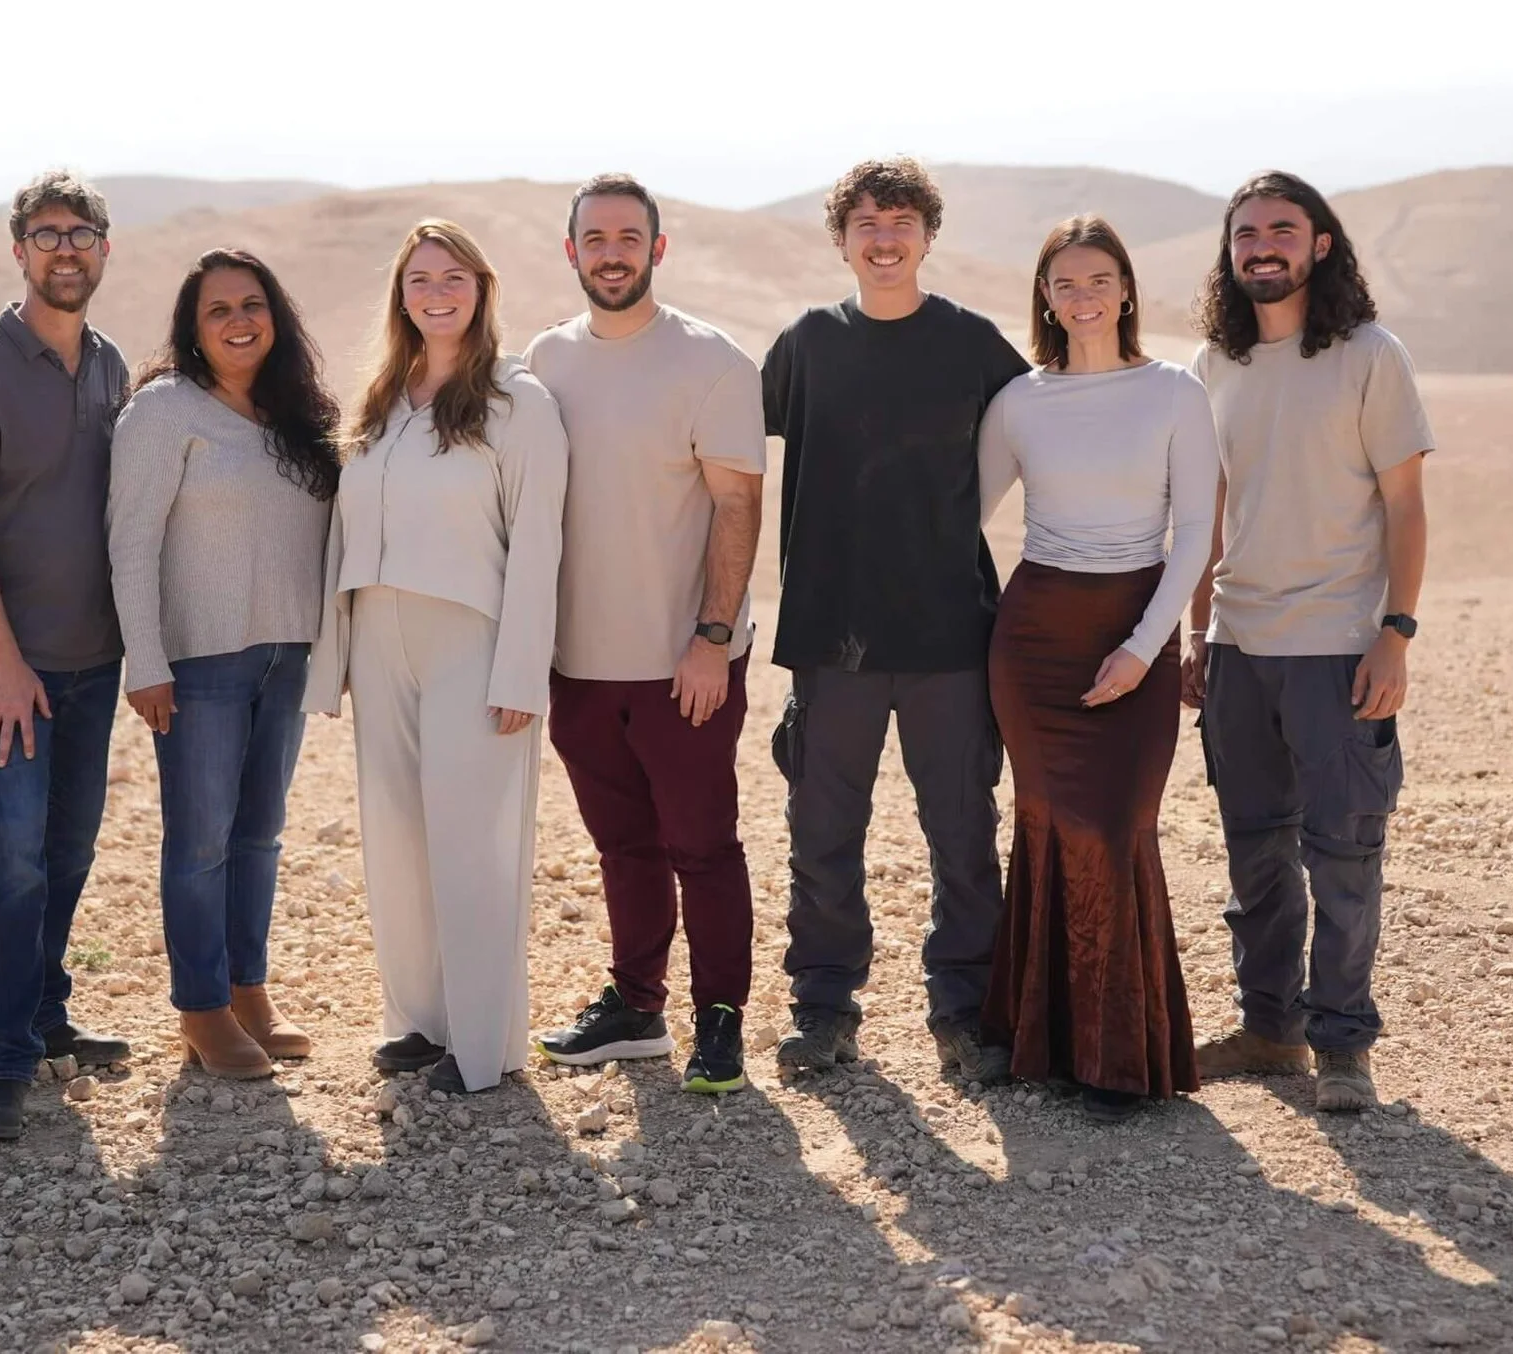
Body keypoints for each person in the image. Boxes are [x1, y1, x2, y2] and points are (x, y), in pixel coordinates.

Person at [763, 157, 1030, 1082]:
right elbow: (722, 452)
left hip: (950, 630)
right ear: (841, 238)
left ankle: (966, 1007)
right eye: (866, 221)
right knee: (822, 830)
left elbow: (1047, 438)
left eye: (902, 219)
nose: (884, 237)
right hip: (829, 635)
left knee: (961, 827)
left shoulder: (973, 344)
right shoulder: (805, 344)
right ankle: (825, 1006)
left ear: (927, 234)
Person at [1184, 170, 1433, 1113]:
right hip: (1239, 646)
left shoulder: (1370, 355)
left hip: (1337, 645)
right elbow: (1208, 514)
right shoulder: (1217, 364)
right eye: (1245, 233)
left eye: (1282, 230)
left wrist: (1395, 634)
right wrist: (1198, 630)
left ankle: (1343, 1046)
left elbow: (1406, 507)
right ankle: (1269, 1030)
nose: (1262, 246)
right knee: (1254, 849)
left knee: (1343, 854)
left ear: (1319, 244)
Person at [307, 219, 568, 1096]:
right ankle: (420, 1022)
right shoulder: (382, 399)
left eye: (454, 276)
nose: (437, 292)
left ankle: (485, 1047)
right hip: (379, 633)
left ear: (482, 289)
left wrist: (523, 669)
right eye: (421, 278)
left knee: (474, 843)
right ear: (402, 296)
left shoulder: (518, 402)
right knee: (397, 835)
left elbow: (538, 541)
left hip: (474, 635)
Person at [528, 173, 767, 1094]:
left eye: (631, 237)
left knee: (702, 846)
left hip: (684, 665)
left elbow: (738, 503)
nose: (613, 251)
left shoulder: (711, 362)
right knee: (621, 845)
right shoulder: (543, 362)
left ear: (657, 250)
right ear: (573, 251)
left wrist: (711, 637)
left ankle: (720, 1019)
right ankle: (636, 1007)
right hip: (579, 664)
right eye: (596, 238)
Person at [976, 217, 1217, 1121]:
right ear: (1046, 296)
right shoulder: (1020, 402)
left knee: (1116, 828)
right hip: (1034, 635)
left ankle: (1120, 1057)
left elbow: (1193, 534)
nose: (1082, 297)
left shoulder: (1174, 393)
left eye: (1099, 279)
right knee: (1045, 824)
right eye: (1064, 283)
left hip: (1136, 626)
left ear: (1125, 290)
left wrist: (1144, 646)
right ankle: (1040, 1043)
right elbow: (961, 513)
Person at [0, 170, 132, 1142]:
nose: (64, 248)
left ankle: (47, 1015)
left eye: (80, 231)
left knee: (67, 847)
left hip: (94, 661)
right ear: (18, 250)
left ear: (103, 248)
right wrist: (4, 667)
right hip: (1, 666)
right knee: (9, 857)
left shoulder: (110, 365)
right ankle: (1, 1062)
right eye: (45, 233)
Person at [109, 249, 339, 1081]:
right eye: (219, 310)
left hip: (286, 652)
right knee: (200, 840)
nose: (240, 320)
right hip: (198, 662)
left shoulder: (294, 413)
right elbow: (129, 542)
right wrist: (146, 660)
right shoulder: (162, 412)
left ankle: (248, 992)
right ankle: (200, 1009)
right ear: (193, 328)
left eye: (253, 304)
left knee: (260, 835)